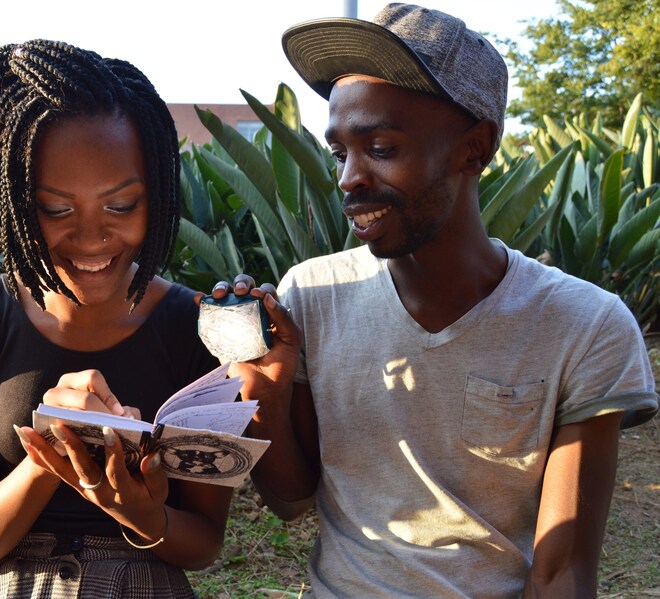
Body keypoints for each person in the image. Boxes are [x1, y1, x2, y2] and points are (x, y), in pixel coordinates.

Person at [208, 4, 659, 597]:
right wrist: (263, 391)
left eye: (381, 148)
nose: (349, 178)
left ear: (475, 148)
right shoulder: (312, 296)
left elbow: (563, 570)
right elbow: (292, 500)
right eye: (341, 152)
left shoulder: (584, 325)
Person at [0, 39, 231, 598]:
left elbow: (203, 543)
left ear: (156, 195)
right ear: (14, 201)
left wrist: (144, 517)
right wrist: (50, 457)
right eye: (56, 209)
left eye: (121, 206)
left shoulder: (196, 330)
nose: (90, 237)